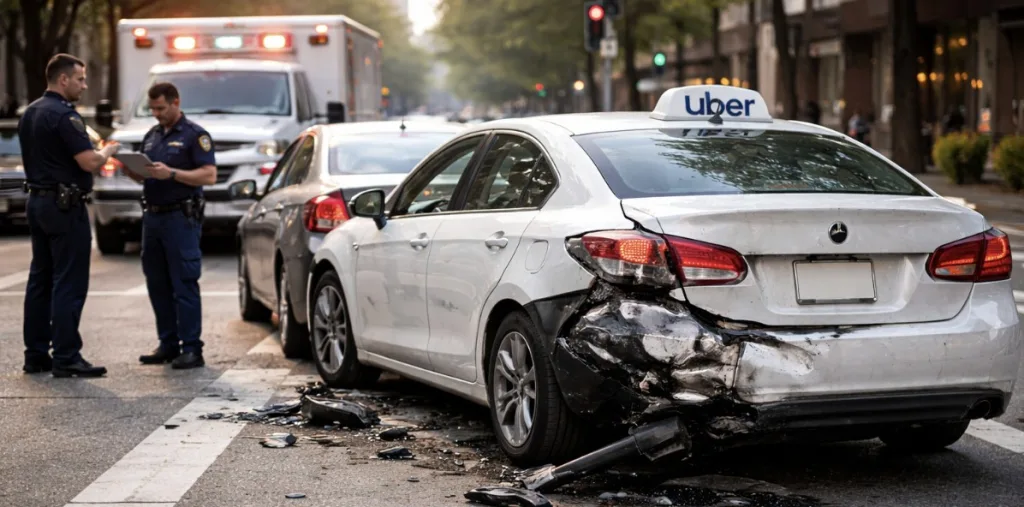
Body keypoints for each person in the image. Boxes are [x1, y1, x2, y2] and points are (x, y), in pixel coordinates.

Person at [19, 54, 120, 377]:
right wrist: (108, 151)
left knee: (41, 279)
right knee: (68, 281)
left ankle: (35, 354)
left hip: (37, 202)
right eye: (80, 79)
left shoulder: (31, 112)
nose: (84, 85)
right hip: (65, 206)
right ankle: (66, 355)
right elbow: (89, 161)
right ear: (63, 80)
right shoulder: (65, 115)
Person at [122, 82, 215, 369]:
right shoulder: (152, 136)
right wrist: (133, 171)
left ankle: (191, 348)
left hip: (180, 217)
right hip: (153, 216)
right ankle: (168, 343)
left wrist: (172, 174)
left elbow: (209, 176)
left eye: (161, 108)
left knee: (184, 282)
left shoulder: (195, 136)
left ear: (176, 102)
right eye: (152, 109)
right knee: (157, 282)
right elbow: (146, 175)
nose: (156, 114)